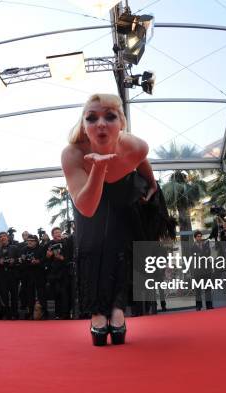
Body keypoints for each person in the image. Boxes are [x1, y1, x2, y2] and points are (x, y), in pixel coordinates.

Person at [61, 93, 157, 346]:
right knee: (92, 246)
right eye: (92, 118)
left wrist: (152, 181)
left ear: (122, 123)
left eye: (110, 116)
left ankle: (117, 308)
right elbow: (87, 208)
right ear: (83, 126)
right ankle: (96, 311)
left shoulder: (137, 146)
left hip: (124, 194)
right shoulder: (72, 154)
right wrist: (98, 167)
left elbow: (141, 159)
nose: (101, 123)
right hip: (91, 197)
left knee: (122, 248)